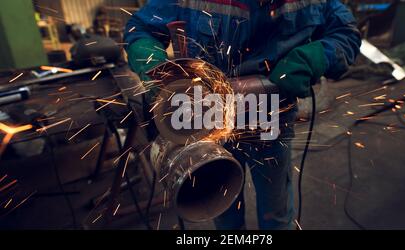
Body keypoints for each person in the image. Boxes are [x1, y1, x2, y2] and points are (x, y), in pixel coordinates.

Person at [124, 0, 361, 230]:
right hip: (209, 122)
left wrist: (316, 56)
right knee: (223, 208)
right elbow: (140, 27)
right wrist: (153, 65)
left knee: (275, 213)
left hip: (272, 118)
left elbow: (346, 32)